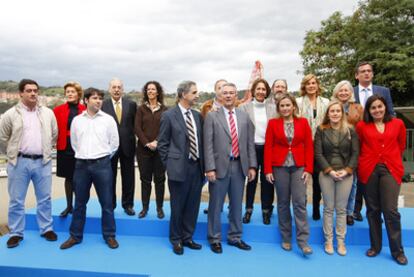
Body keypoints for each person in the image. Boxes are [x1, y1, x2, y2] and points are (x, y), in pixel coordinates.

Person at [0, 79, 58, 248]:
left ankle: (46, 229)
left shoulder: (48, 113)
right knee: (17, 200)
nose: (33, 93)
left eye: (35, 90)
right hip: (19, 163)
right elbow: (2, 138)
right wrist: (12, 154)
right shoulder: (10, 114)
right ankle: (16, 233)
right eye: (29, 90)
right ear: (21, 93)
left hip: (43, 162)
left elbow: (54, 134)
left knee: (45, 199)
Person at [60, 87, 119, 250]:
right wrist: (85, 155)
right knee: (79, 203)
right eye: (94, 98)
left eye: (100, 98)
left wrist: (102, 157)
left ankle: (110, 236)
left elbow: (114, 144)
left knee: (107, 203)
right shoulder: (77, 121)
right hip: (81, 166)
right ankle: (75, 236)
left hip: (102, 165)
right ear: (86, 100)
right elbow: (75, 144)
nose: (98, 101)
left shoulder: (108, 120)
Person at [204, 82, 257, 254]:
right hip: (219, 167)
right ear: (220, 95)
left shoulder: (243, 116)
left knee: (236, 205)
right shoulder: (212, 116)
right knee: (215, 204)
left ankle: (235, 237)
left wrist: (252, 166)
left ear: (236, 95)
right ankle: (214, 238)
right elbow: (208, 145)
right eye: (225, 93)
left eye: (231, 93)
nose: (228, 96)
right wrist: (209, 168)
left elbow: (250, 143)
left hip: (239, 165)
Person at [356, 95, 408, 265]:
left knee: (390, 210)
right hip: (368, 168)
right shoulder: (362, 126)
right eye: (373, 108)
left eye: (380, 107)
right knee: (372, 209)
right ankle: (375, 247)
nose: (377, 110)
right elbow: (359, 146)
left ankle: (397, 251)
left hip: (390, 169)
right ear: (368, 111)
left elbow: (401, 145)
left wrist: (390, 159)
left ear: (385, 107)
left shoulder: (397, 124)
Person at [158, 81, 204, 255]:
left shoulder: (197, 116)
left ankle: (187, 237)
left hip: (196, 168)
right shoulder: (169, 115)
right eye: (194, 92)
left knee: (193, 206)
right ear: (184, 94)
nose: (197, 95)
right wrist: (169, 165)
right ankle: (176, 240)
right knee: (177, 207)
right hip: (177, 169)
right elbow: (162, 144)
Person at [264, 93, 313, 256]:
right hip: (279, 167)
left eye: (288, 105)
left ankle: (303, 241)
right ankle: (286, 238)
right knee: (283, 203)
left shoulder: (303, 122)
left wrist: (308, 169)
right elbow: (268, 147)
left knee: (299, 202)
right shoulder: (272, 124)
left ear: (293, 106)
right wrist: (268, 170)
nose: (285, 108)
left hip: (299, 167)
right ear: (278, 108)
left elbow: (309, 146)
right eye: (282, 106)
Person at [314, 100, 359, 256]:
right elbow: (318, 154)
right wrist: (329, 170)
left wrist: (347, 171)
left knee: (341, 210)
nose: (335, 114)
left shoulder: (350, 130)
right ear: (328, 113)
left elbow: (355, 153)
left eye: (337, 111)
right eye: (332, 111)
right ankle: (328, 240)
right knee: (328, 208)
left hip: (345, 174)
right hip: (327, 173)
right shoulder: (320, 130)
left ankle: (340, 241)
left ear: (342, 113)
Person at [353, 61, 395, 222]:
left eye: (369, 71)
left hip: (378, 141)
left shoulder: (383, 91)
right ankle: (355, 209)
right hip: (357, 139)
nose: (366, 73)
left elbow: (391, 114)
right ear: (357, 75)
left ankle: (378, 210)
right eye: (362, 71)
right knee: (358, 174)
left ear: (372, 73)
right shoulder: (351, 92)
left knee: (376, 176)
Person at [239, 78, 275, 225]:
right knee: (252, 180)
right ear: (253, 91)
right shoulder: (244, 108)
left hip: (268, 148)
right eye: (258, 89)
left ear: (267, 92)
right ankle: (248, 210)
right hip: (251, 148)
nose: (261, 92)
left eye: (263, 89)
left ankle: (266, 211)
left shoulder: (273, 108)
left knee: (268, 181)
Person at [296, 74, 329, 220]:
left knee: (318, 180)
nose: (311, 85)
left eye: (313, 83)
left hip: (321, 146)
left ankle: (316, 208)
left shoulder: (326, 102)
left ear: (317, 85)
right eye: (308, 83)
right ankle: (301, 208)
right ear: (304, 86)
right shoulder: (298, 102)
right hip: (302, 145)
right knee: (301, 179)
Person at [102, 78, 137, 216]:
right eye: (114, 87)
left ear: (123, 89)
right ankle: (110, 204)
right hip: (109, 148)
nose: (116, 89)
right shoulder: (103, 105)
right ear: (109, 89)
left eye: (119, 87)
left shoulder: (132, 104)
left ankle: (128, 205)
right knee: (109, 178)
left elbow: (136, 126)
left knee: (128, 177)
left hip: (128, 147)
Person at [331, 80, 363, 226]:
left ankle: (349, 213)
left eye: (346, 90)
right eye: (340, 90)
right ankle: (337, 211)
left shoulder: (358, 108)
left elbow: (362, 129)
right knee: (334, 182)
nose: (343, 93)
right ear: (336, 92)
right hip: (334, 151)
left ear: (351, 93)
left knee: (352, 183)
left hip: (352, 151)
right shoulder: (331, 107)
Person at [135, 81, 168, 219]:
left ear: (158, 92)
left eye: (153, 89)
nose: (150, 91)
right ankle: (144, 208)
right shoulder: (141, 109)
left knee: (160, 180)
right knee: (145, 180)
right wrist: (147, 143)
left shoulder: (165, 110)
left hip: (160, 151)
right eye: (148, 89)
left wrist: (157, 142)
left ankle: (159, 208)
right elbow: (137, 128)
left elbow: (166, 128)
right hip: (144, 151)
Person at [53, 82, 86, 217]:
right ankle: (69, 206)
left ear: (78, 94)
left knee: (80, 178)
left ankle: (79, 207)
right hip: (64, 148)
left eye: (73, 92)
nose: (70, 94)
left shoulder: (85, 109)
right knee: (68, 178)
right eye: (68, 92)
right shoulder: (58, 110)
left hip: (80, 148)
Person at [200, 79, 227, 214]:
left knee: (228, 180)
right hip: (211, 149)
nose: (222, 90)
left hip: (228, 150)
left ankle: (226, 205)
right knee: (212, 179)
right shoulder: (206, 107)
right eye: (219, 87)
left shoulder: (235, 105)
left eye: (225, 87)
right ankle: (214, 205)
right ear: (215, 90)